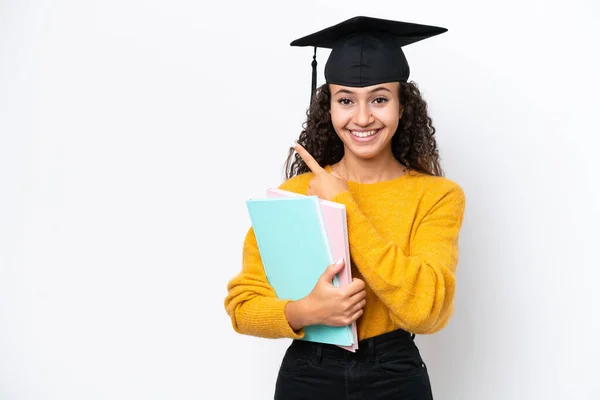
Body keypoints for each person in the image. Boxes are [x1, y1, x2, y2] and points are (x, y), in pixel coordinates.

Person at [224, 15, 466, 399]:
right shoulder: (297, 192)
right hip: (308, 374)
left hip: (395, 375)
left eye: (380, 99)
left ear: (403, 107)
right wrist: (306, 312)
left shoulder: (436, 196)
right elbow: (243, 305)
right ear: (330, 109)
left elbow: (425, 312)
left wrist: (342, 204)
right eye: (346, 100)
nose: (363, 117)